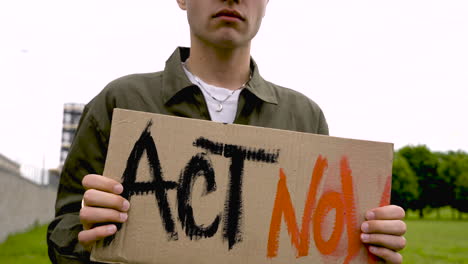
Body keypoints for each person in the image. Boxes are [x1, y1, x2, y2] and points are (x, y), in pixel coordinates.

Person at [47, 0, 407, 263]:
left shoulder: (305, 117)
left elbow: (314, 245)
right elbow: (61, 233)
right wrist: (87, 234)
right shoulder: (120, 101)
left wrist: (368, 243)